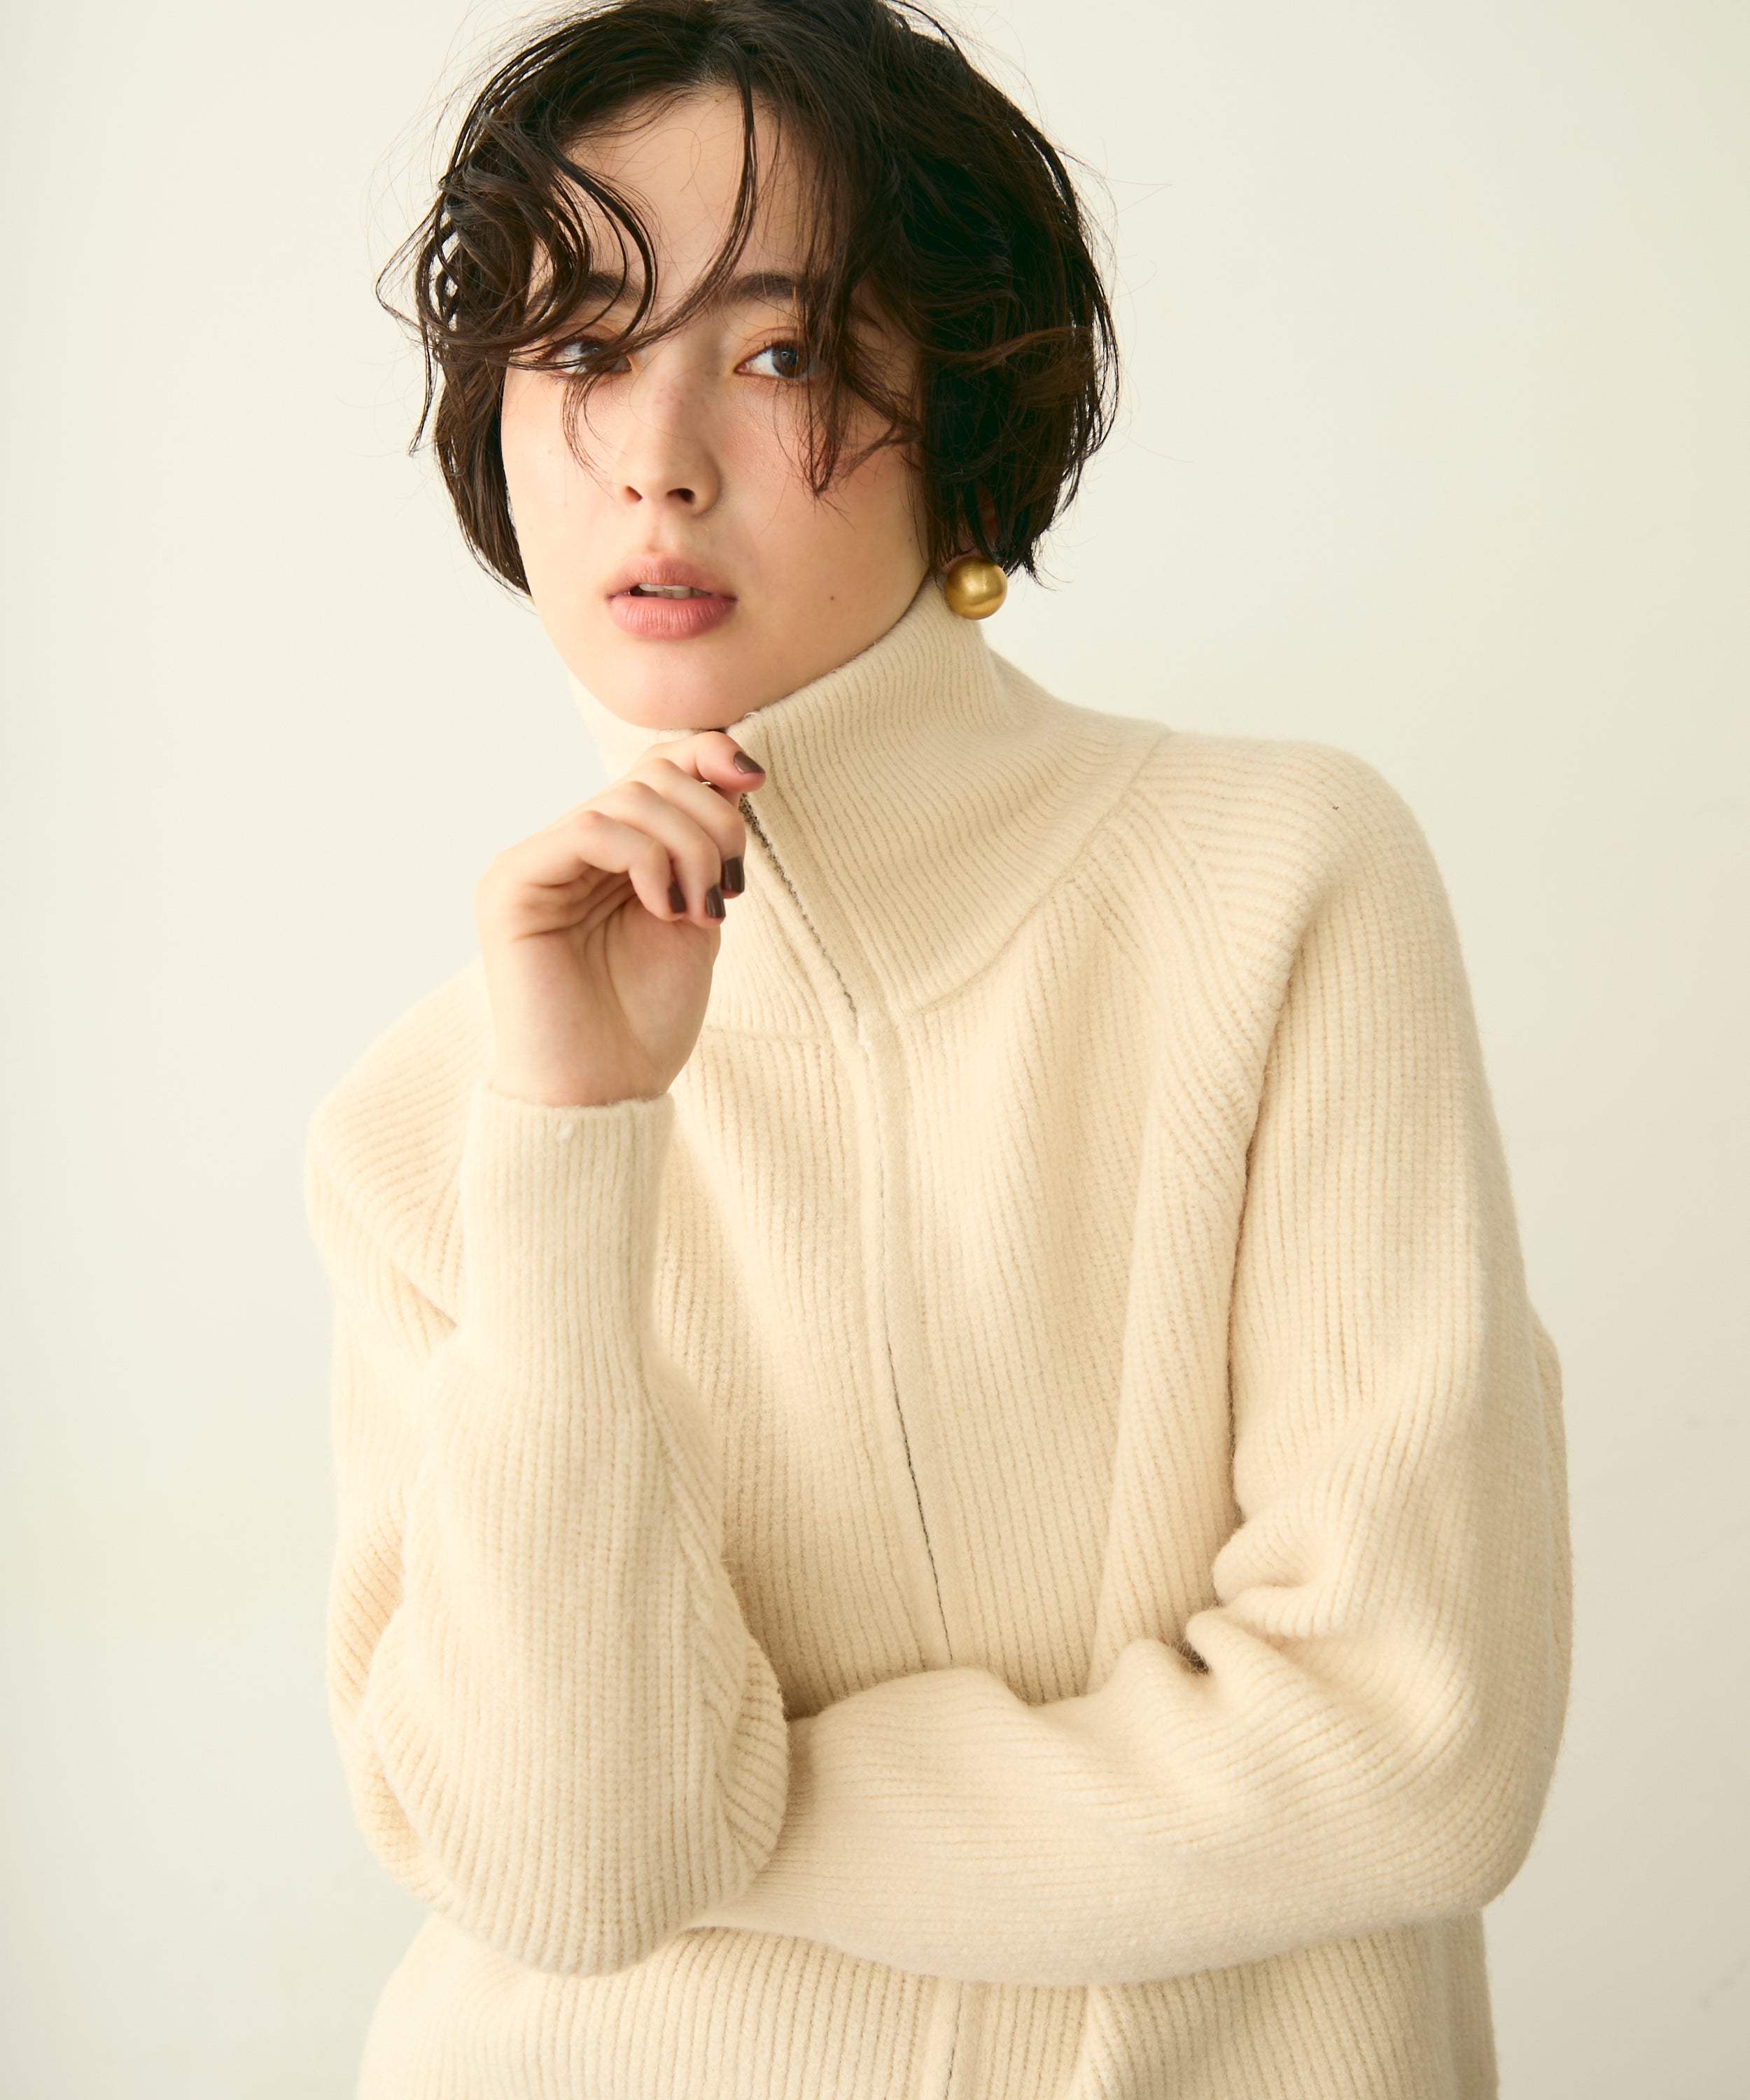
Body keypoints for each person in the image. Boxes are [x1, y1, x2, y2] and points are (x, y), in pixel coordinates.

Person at [303, 2, 1573, 2094]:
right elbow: (564, 1873)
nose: (655, 456)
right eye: (581, 349)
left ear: (964, 396)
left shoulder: (1276, 887)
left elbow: (1410, 1752)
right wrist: (572, 1140)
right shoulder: (438, 1122)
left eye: (782, 352)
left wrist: (730, 1812)